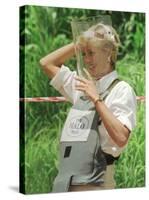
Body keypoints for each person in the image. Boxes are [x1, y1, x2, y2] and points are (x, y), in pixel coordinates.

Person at [39, 22, 137, 192]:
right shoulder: (82, 85)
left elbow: (121, 137)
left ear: (108, 53)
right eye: (83, 54)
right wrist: (80, 41)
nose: (86, 60)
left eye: (91, 53)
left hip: (97, 183)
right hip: (66, 181)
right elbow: (47, 63)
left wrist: (97, 99)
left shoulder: (122, 89)